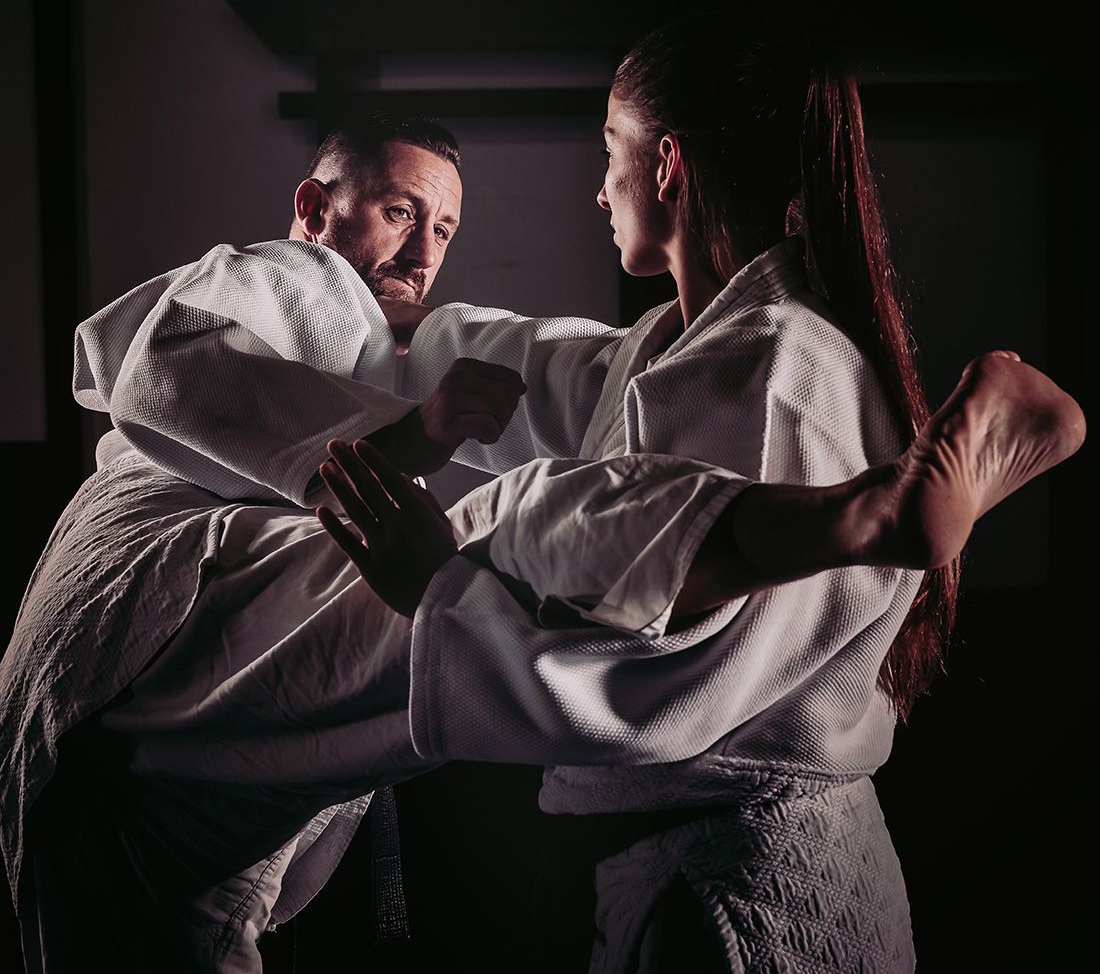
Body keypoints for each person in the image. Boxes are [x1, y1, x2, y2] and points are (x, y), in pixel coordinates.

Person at [2, 62, 1084, 974]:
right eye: (397, 210)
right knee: (492, 529)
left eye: (445, 225)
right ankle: (861, 513)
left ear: (662, 163)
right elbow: (142, 351)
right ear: (310, 205)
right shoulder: (290, 281)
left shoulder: (756, 356)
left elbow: (556, 385)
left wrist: (434, 524)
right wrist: (406, 441)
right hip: (172, 574)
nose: (425, 247)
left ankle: (866, 513)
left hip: (728, 861)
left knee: (495, 532)